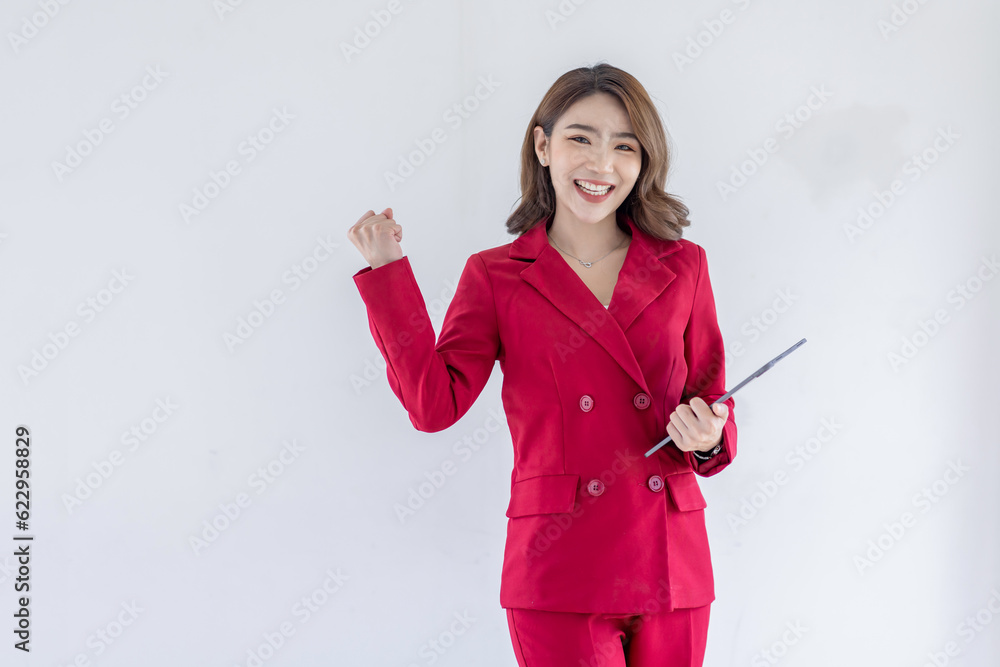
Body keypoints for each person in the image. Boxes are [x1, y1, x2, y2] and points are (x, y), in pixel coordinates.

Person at [347, 62, 737, 667]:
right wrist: (388, 271)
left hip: (671, 558)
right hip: (560, 567)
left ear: (643, 162)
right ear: (542, 144)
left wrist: (711, 434)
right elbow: (433, 405)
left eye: (624, 147)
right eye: (580, 138)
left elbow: (712, 395)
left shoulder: (683, 265)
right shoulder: (497, 275)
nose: (601, 165)